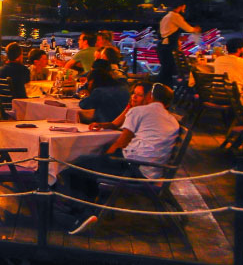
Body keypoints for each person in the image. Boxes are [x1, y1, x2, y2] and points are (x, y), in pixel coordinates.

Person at [60, 83, 181, 234]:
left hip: (133, 169)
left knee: (74, 167)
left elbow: (121, 142)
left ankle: (83, 213)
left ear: (150, 96)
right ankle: (88, 210)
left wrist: (106, 156)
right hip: (153, 171)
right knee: (91, 164)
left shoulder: (140, 111)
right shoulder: (173, 121)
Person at [157, 0, 200, 86]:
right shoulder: (175, 16)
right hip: (169, 47)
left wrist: (179, 39)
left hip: (162, 46)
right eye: (184, 7)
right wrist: (196, 29)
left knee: (165, 69)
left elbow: (166, 32)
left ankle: (162, 88)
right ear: (181, 6)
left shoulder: (166, 16)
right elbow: (188, 28)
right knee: (167, 70)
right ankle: (164, 89)